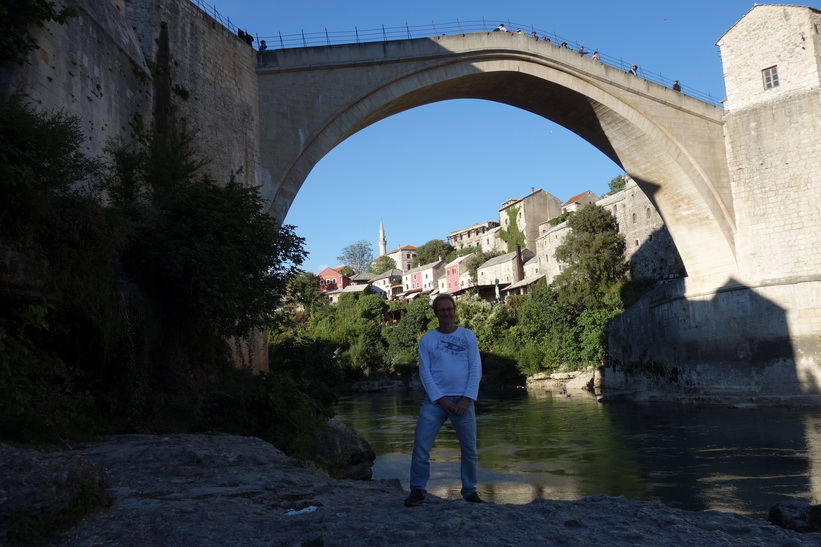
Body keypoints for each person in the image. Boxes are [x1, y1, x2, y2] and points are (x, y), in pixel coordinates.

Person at [404, 294, 484, 506]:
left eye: (450, 309)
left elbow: (475, 368)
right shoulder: (427, 340)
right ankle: (418, 490)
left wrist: (467, 399)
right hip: (435, 402)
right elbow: (425, 373)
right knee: (421, 446)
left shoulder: (468, 336)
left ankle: (469, 491)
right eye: (442, 310)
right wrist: (440, 400)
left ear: (454, 310)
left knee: (469, 449)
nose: (447, 313)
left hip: (463, 400)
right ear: (436, 313)